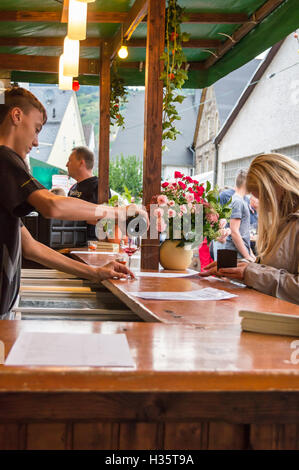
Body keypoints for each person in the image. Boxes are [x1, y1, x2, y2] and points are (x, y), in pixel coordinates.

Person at [0, 87, 147, 319]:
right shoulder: (4, 159)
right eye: (36, 129)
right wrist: (118, 212)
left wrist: (93, 272)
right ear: (17, 116)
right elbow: (52, 205)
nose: (37, 142)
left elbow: (31, 248)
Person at [199, 153, 299, 305]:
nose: (265, 207)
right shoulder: (285, 220)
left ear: (280, 185)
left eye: (265, 198)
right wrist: (235, 267)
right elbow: (271, 270)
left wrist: (249, 272)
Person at [67, 146, 111, 240]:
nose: (66, 164)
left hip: (90, 245)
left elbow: (101, 219)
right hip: (70, 242)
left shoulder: (99, 187)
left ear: (81, 163)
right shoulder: (73, 188)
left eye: (70, 160)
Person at [224, 169, 256, 262]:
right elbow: (234, 232)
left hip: (237, 253)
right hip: (235, 254)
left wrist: (250, 254)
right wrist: (247, 256)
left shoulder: (240, 200)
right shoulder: (237, 201)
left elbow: (242, 234)